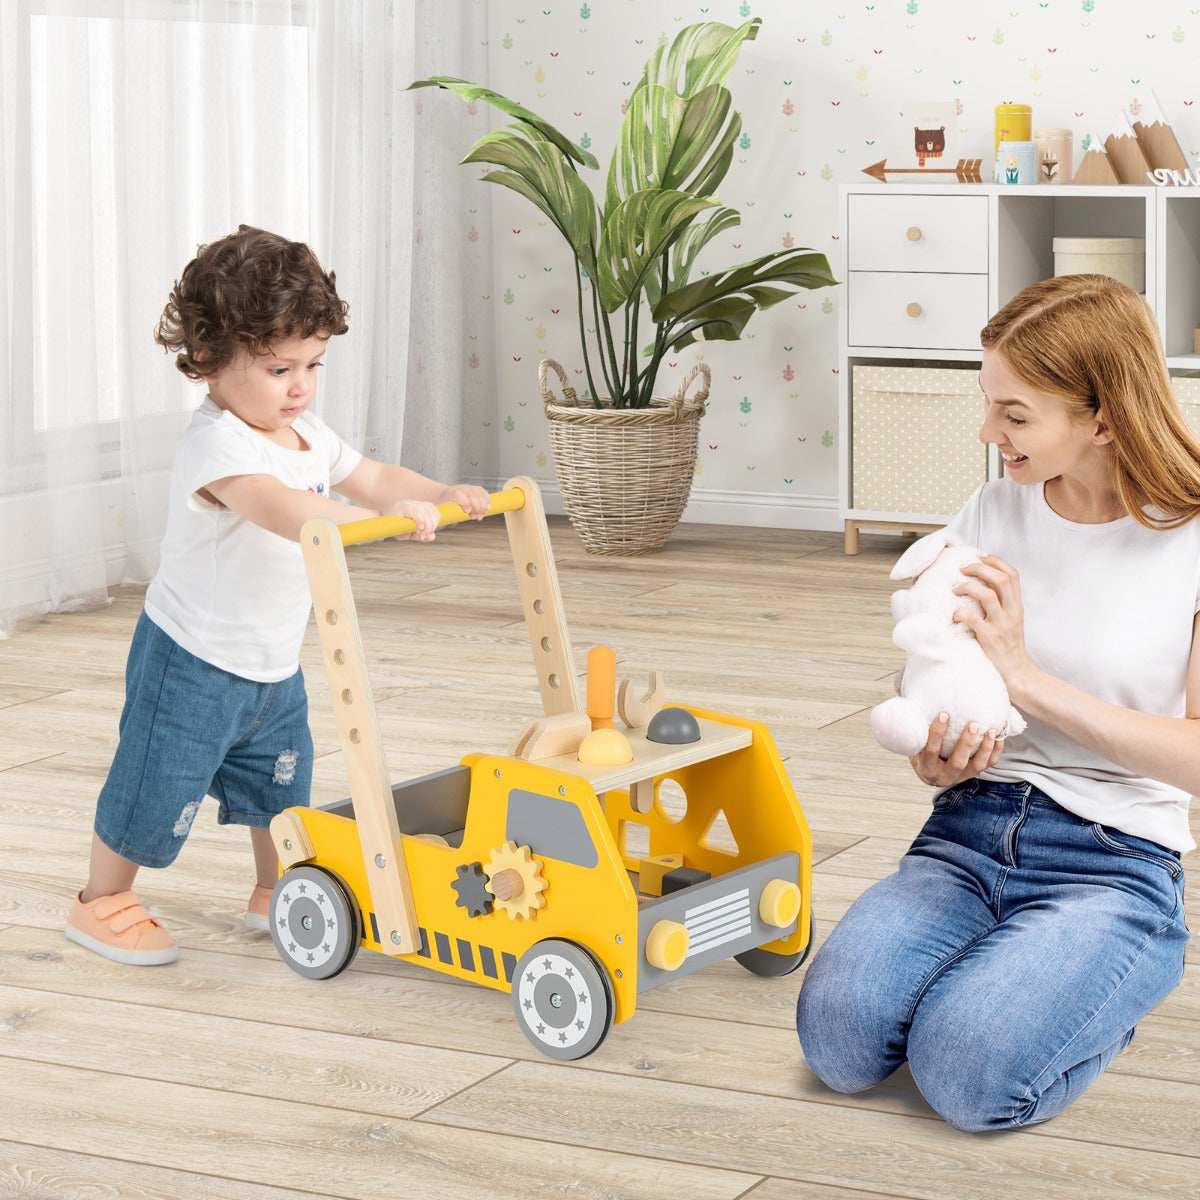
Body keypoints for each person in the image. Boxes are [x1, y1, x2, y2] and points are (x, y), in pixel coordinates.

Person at [796, 273, 1195, 1132]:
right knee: (837, 1044)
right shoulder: (991, 509)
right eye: (988, 403)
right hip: (969, 832)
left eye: (1013, 415)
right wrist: (933, 752)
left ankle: (1106, 983)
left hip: (1113, 860)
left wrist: (1025, 676)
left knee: (969, 1080)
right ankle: (1022, 981)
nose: (988, 433)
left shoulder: (1190, 539)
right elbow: (938, 667)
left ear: (1103, 418)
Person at [64, 226, 490, 966]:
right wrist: (372, 523)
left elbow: (374, 476)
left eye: (313, 365)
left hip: (271, 664)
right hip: (191, 662)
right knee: (156, 782)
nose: (300, 387)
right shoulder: (219, 446)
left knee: (281, 784)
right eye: (278, 368)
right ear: (209, 361)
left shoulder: (307, 433)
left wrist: (438, 491)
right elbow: (284, 509)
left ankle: (277, 886)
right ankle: (100, 899)